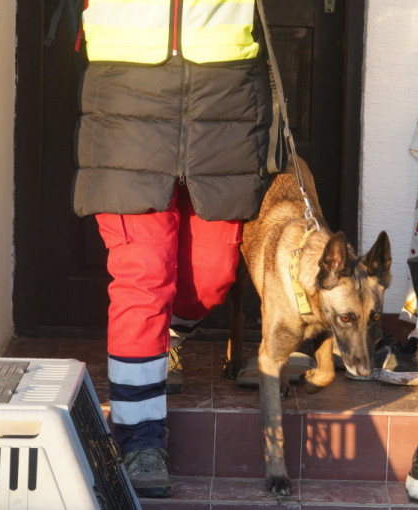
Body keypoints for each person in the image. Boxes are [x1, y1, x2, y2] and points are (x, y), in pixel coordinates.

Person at [69, 0, 274, 498]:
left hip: (225, 92)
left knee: (213, 275)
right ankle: (139, 440)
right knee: (142, 275)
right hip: (125, 88)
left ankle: (166, 339)